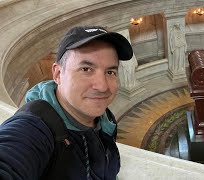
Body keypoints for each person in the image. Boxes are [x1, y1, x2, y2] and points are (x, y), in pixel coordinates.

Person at [0, 26, 133, 180]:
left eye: (110, 72)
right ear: (58, 74)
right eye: (86, 69)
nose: (102, 86)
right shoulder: (35, 128)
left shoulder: (105, 118)